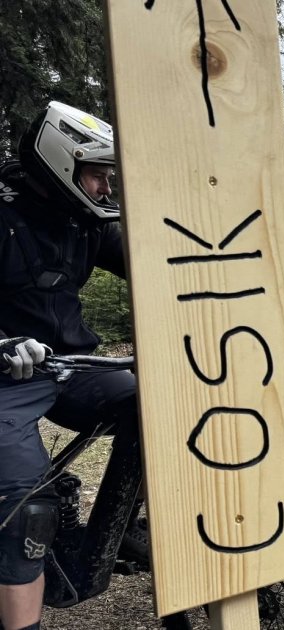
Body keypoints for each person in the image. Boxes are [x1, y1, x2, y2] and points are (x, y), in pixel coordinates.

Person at [0, 102, 134, 630]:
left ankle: (109, 536)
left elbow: (157, 263)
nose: (105, 188)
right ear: (63, 161)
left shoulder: (84, 221)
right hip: (7, 375)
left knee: (166, 409)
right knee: (27, 508)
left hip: (72, 366)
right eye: (98, 175)